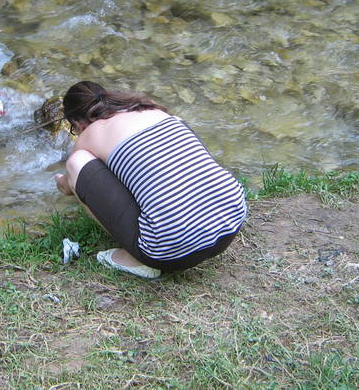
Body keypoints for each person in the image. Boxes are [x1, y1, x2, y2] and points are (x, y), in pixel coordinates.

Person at [54, 81, 247, 279]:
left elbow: (70, 184)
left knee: (77, 162)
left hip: (169, 254)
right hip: (231, 223)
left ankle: (137, 259)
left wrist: (62, 180)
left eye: (73, 129)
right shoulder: (150, 108)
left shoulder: (89, 134)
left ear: (78, 123)